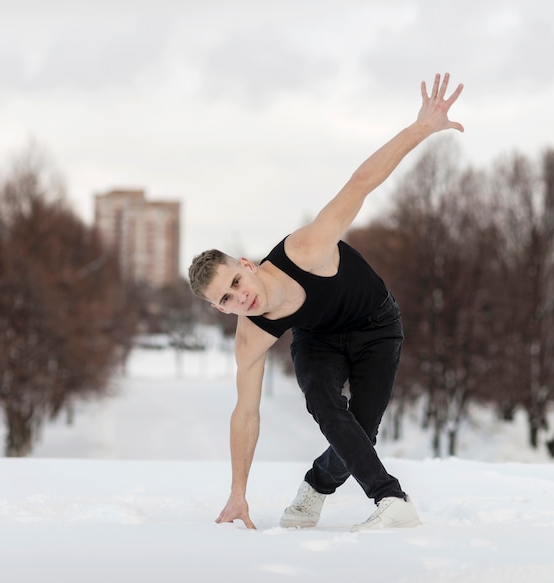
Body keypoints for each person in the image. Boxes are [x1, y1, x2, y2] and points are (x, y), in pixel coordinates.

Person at [188, 73, 464, 531]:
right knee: (324, 401)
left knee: (363, 429)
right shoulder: (251, 336)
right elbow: (246, 413)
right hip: (318, 339)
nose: (242, 296)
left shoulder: (306, 249)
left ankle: (315, 488)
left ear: (247, 263)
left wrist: (422, 128)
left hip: (376, 325)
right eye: (227, 299)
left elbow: (360, 183)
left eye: (237, 280)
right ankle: (391, 500)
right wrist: (238, 493)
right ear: (220, 309)